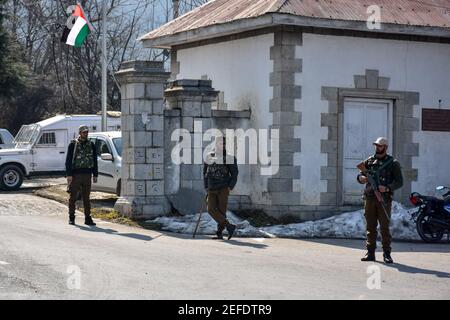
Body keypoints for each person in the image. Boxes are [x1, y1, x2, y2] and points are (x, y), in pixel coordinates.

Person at [357, 137, 403, 264]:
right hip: (370, 198)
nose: (377, 148)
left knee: (384, 228)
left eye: (380, 146)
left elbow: (400, 182)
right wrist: (361, 178)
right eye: (376, 145)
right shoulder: (369, 161)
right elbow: (360, 175)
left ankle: (387, 254)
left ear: (385, 147)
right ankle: (370, 252)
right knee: (370, 227)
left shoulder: (393, 163)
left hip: (384, 199)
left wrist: (387, 188)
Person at [203, 136, 238, 240]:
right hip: (211, 187)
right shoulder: (209, 156)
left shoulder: (230, 157)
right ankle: (229, 226)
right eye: (220, 143)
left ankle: (219, 232)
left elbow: (235, 173)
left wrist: (230, 186)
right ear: (216, 144)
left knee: (222, 211)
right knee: (210, 209)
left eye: (224, 144)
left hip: (223, 187)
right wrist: (206, 185)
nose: (222, 145)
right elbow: (204, 172)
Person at [65, 125, 98, 226]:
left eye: (87, 132)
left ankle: (88, 218)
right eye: (84, 132)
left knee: (86, 198)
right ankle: (71, 217)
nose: (86, 134)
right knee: (73, 197)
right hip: (76, 174)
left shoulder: (91, 144)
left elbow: (94, 160)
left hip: (87, 174)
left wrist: (95, 174)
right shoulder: (73, 144)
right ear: (80, 133)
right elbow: (68, 160)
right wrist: (69, 174)